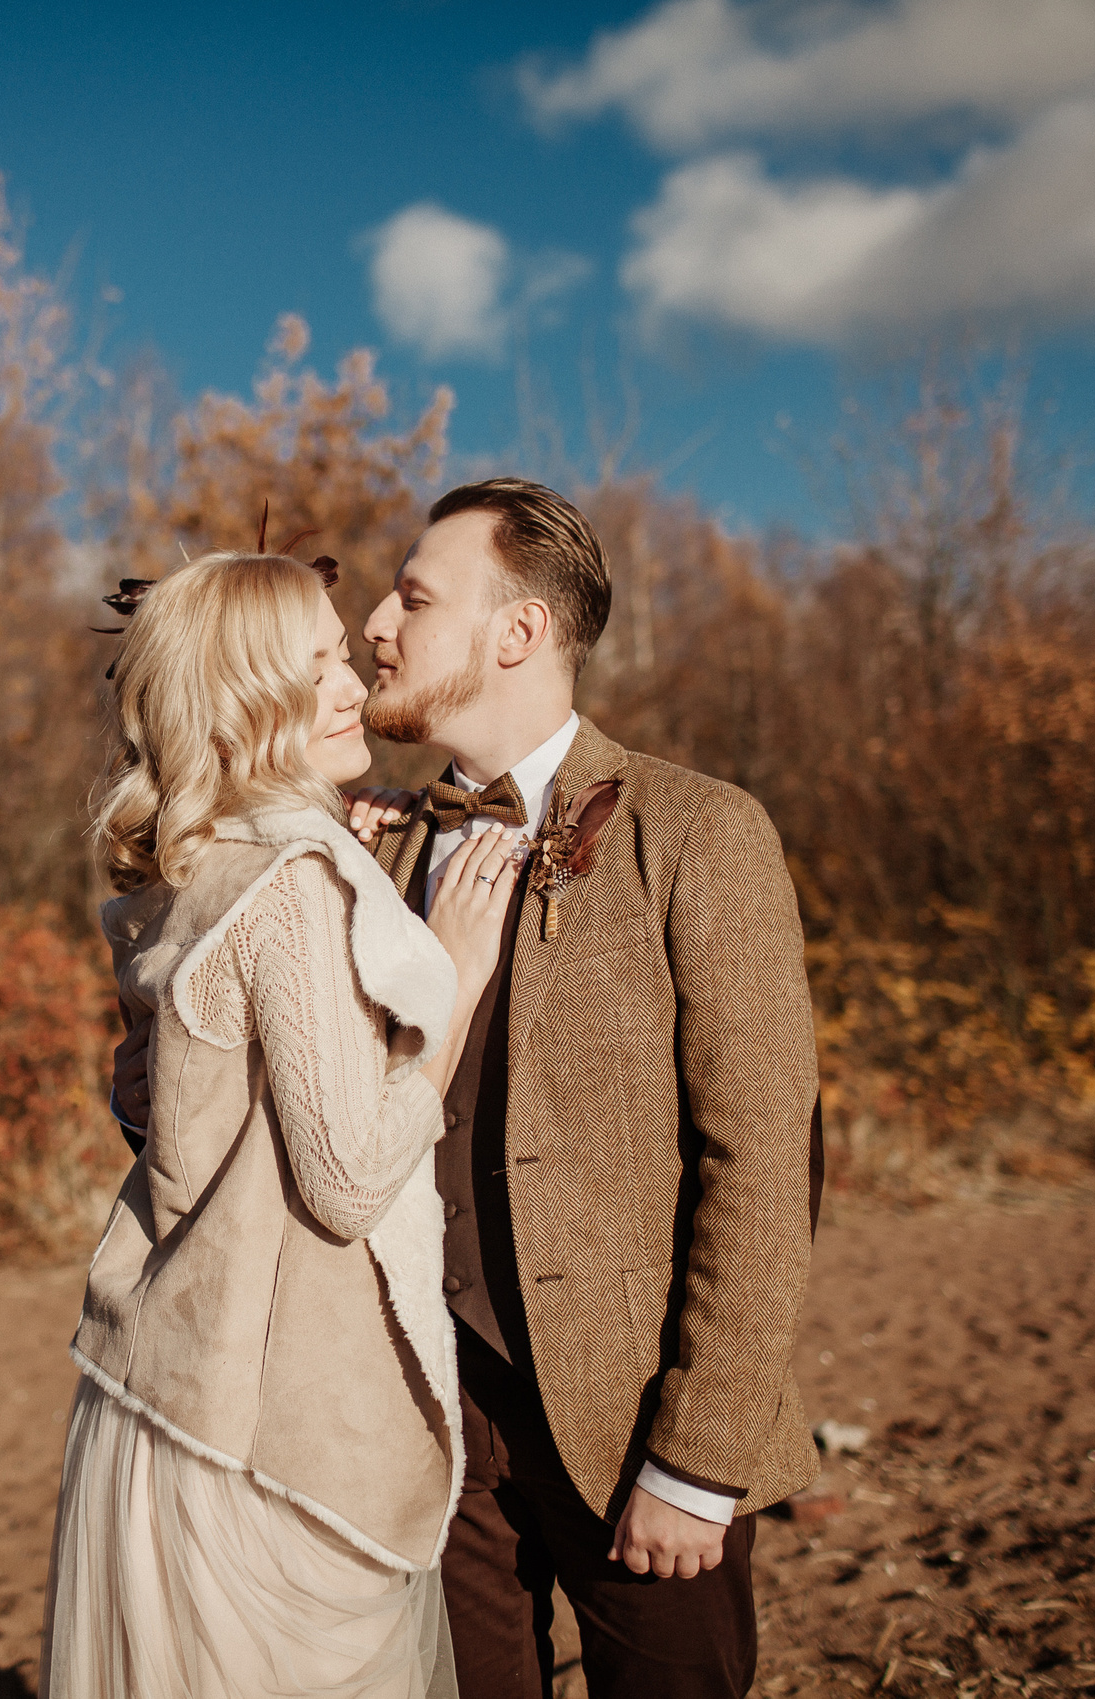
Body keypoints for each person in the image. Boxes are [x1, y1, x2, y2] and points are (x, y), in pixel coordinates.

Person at [347, 479, 823, 1699]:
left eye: (413, 597)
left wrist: (697, 1459)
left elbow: (764, 1163)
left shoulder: (698, 834)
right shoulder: (378, 847)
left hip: (635, 1441)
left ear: (517, 632)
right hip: (430, 1437)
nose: (376, 628)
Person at [46, 549, 523, 1699]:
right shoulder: (295, 888)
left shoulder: (188, 868)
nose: (354, 676)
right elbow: (349, 1178)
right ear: (248, 698)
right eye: (315, 665)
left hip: (157, 1402)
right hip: (268, 1436)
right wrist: (451, 981)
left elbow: (165, 1109)